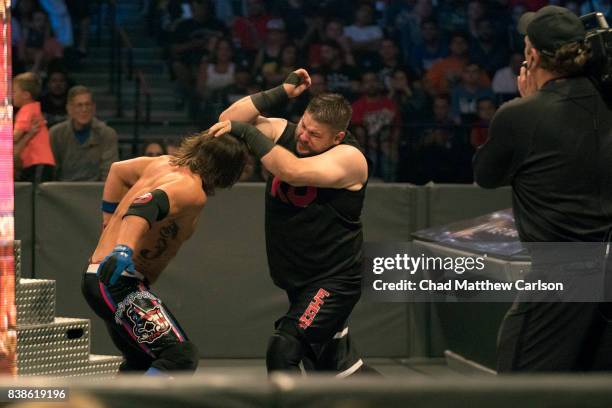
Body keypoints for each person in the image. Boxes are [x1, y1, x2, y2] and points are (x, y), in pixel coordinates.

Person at [473, 5, 612, 372]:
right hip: (605, 270)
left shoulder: (521, 115)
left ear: (532, 56)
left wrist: (523, 101)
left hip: (561, 277)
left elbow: (486, 175)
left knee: (521, 386)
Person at [214, 68, 378, 377]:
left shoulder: (350, 158)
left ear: (337, 137)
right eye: (304, 125)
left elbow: (293, 172)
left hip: (333, 281)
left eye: (315, 135)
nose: (303, 136)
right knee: (334, 368)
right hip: (300, 280)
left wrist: (248, 133)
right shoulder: (287, 133)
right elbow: (228, 117)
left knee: (284, 349)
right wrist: (280, 93)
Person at [82, 132, 248, 374]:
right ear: (226, 171)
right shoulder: (191, 189)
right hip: (118, 282)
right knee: (179, 358)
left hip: (103, 277)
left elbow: (117, 171)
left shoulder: (162, 163)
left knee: (141, 362)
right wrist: (122, 249)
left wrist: (109, 221)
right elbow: (145, 206)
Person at [50, 85, 119, 181]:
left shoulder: (107, 134)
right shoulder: (56, 134)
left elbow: (109, 173)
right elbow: (51, 171)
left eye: (88, 105)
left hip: (95, 191)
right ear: (69, 109)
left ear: (94, 108)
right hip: (62, 191)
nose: (84, 109)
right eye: (79, 105)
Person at [13, 72, 56, 183]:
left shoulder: (26, 110)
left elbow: (15, 137)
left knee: (36, 195)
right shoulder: (33, 108)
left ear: (26, 95)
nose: (11, 95)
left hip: (38, 162)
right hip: (36, 162)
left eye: (14, 92)